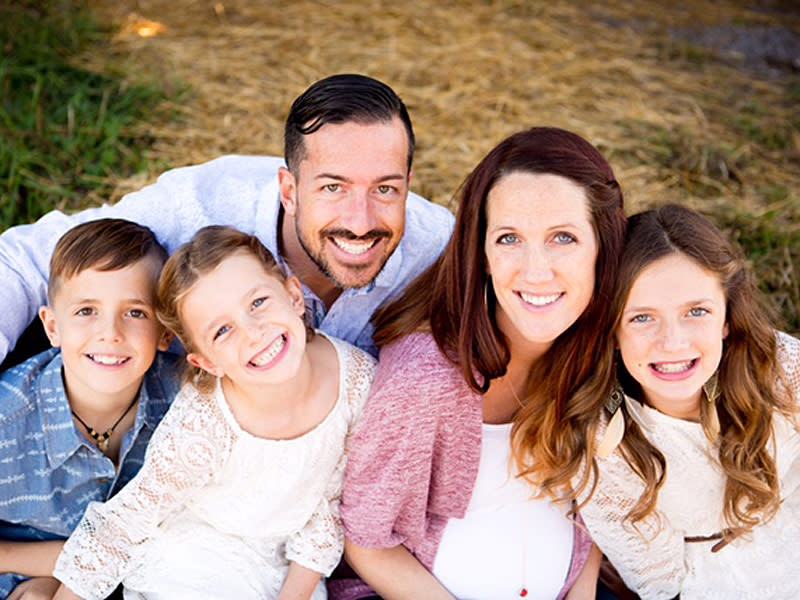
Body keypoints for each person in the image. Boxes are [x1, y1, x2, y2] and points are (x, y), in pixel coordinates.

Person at [336, 127, 627, 599]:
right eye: (510, 238)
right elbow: (366, 541)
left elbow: (593, 510)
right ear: (483, 254)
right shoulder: (425, 379)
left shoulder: (607, 350)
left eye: (563, 238)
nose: (535, 270)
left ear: (603, 245)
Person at [0, 74, 454, 362]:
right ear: (289, 190)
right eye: (333, 188)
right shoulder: (199, 205)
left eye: (385, 188)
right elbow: (24, 260)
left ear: (409, 183)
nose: (360, 221)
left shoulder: (442, 250)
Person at [51, 226, 377, 600]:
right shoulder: (206, 420)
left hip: (290, 569)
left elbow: (329, 507)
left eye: (257, 303)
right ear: (206, 362)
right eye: (223, 331)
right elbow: (130, 518)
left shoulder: (356, 382)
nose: (254, 333)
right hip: (196, 558)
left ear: (293, 295)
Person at [576, 205, 800, 599]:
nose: (673, 342)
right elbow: (659, 580)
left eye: (696, 311)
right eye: (642, 318)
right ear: (611, 330)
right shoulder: (603, 440)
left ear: (727, 316)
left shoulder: (780, 366)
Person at [0, 219, 179, 598]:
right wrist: (61, 564)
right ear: (52, 327)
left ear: (166, 331)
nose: (110, 332)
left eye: (135, 313)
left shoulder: (182, 401)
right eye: (86, 311)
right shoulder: (7, 418)